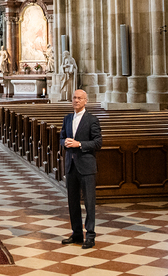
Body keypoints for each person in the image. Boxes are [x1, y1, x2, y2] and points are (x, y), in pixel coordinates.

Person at [60, 90, 102, 248]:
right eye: (74, 98)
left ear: (85, 101)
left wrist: (80, 144)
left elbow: (98, 143)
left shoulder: (92, 120)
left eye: (79, 98)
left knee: (89, 202)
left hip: (86, 166)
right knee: (73, 202)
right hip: (71, 165)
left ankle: (90, 235)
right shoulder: (67, 118)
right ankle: (76, 233)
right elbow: (62, 137)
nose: (76, 100)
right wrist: (64, 142)